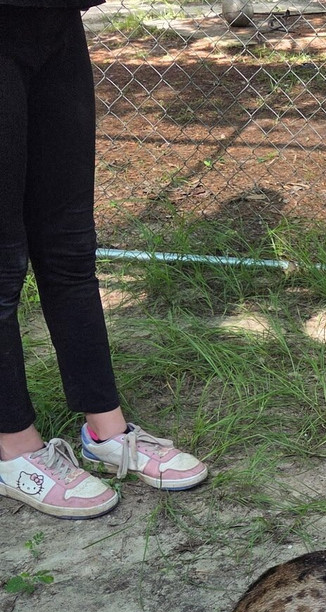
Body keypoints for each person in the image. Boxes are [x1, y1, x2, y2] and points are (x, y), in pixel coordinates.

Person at [0, 1, 207, 519]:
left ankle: (105, 431)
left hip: (56, 23)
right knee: (3, 262)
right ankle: (13, 449)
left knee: (70, 246)